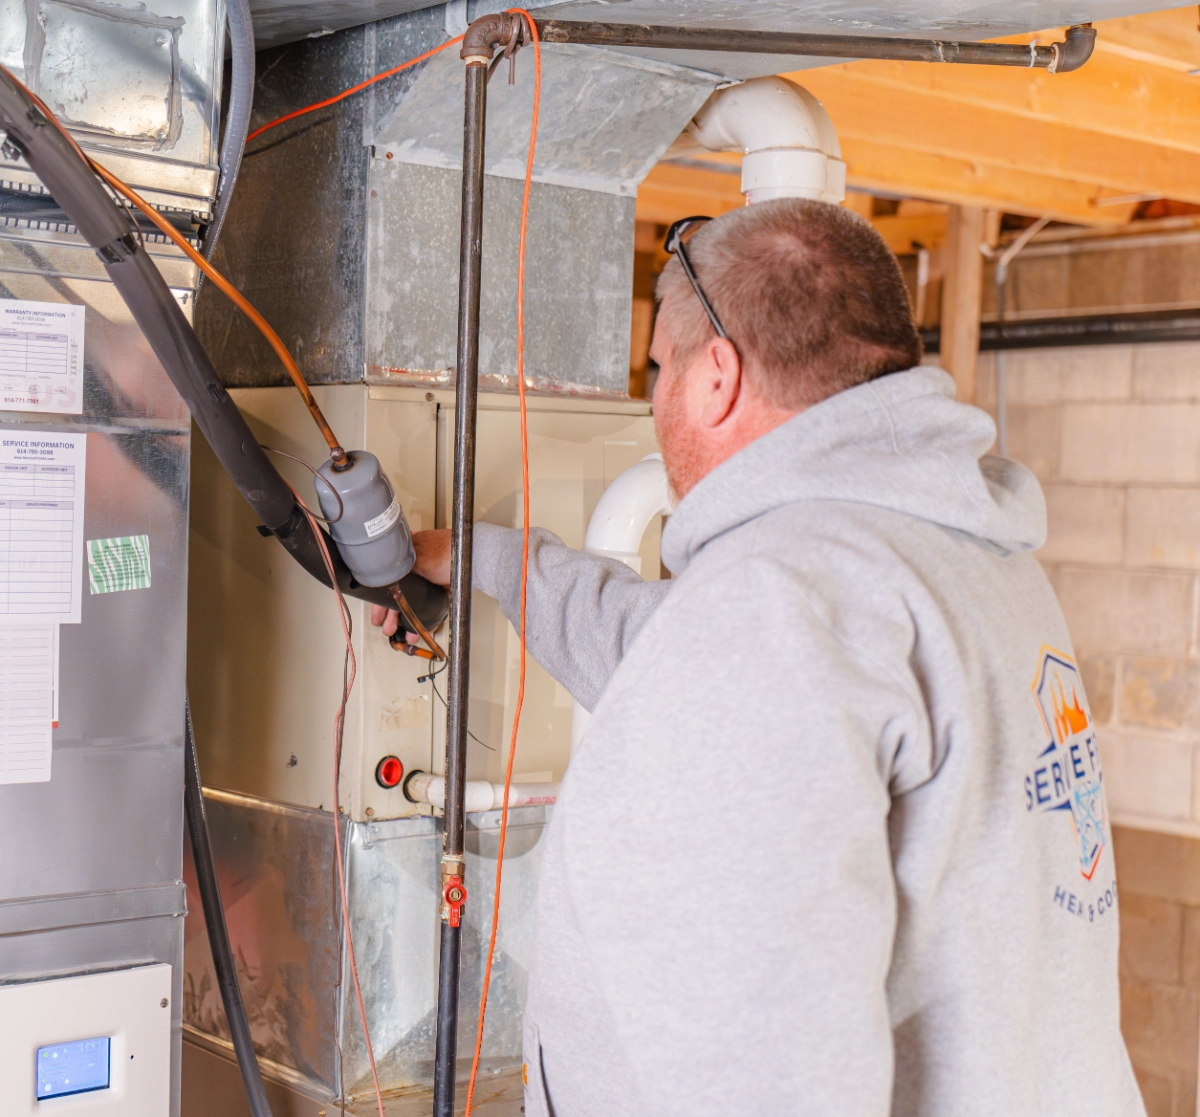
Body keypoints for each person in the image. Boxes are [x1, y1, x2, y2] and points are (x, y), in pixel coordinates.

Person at [373, 199, 1144, 1116]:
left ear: (717, 379)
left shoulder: (776, 607)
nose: (656, 395)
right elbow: (674, 651)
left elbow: (767, 1078)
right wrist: (485, 560)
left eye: (659, 366)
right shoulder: (959, 560)